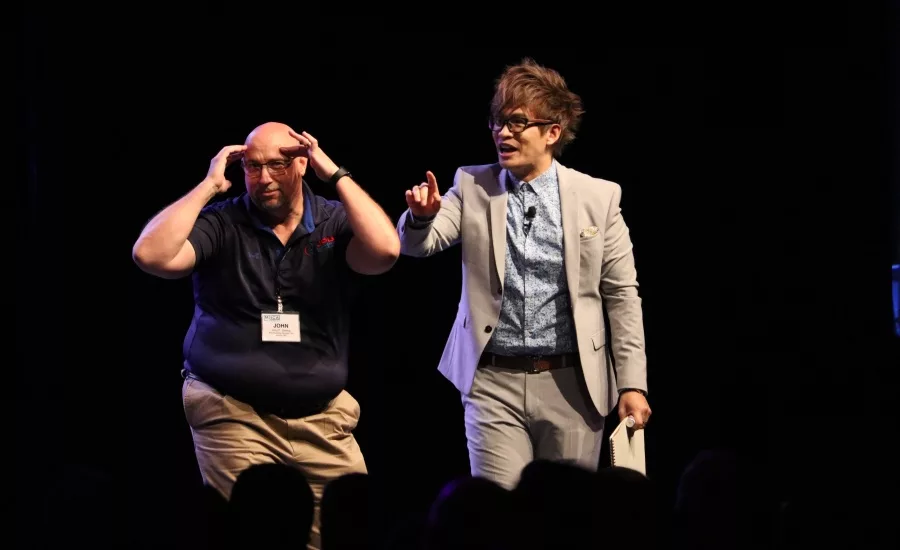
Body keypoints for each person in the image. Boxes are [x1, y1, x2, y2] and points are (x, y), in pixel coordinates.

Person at [132, 122, 399, 549]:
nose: (264, 178)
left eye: (276, 164)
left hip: (322, 418)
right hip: (233, 410)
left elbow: (385, 252)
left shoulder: (331, 218)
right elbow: (151, 255)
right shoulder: (223, 221)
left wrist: (334, 174)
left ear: (301, 163)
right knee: (255, 536)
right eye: (253, 167)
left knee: (349, 534)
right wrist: (207, 187)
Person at [396, 58, 652, 489]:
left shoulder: (598, 197)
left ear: (553, 132)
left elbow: (622, 294)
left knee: (565, 518)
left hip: (574, 383)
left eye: (517, 122)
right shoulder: (473, 185)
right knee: (499, 516)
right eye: (498, 121)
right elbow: (418, 244)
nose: (503, 132)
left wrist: (632, 383)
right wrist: (420, 217)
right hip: (493, 380)